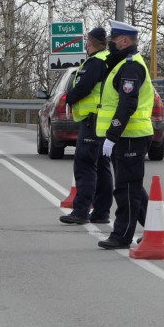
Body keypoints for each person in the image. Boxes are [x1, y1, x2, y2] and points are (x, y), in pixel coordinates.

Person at [96, 19, 154, 249]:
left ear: (124, 41)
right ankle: (156, 226)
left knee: (126, 188)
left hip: (131, 135)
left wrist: (112, 135)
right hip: (127, 135)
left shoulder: (130, 66)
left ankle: (122, 235)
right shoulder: (121, 64)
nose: (110, 43)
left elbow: (127, 104)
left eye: (113, 40)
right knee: (133, 186)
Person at [59, 27, 113, 225]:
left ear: (90, 42)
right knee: (102, 166)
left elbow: (83, 87)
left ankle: (81, 211)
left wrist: (69, 98)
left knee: (85, 165)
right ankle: (101, 212)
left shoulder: (96, 62)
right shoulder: (109, 59)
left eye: (87, 41)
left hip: (93, 120)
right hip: (102, 119)